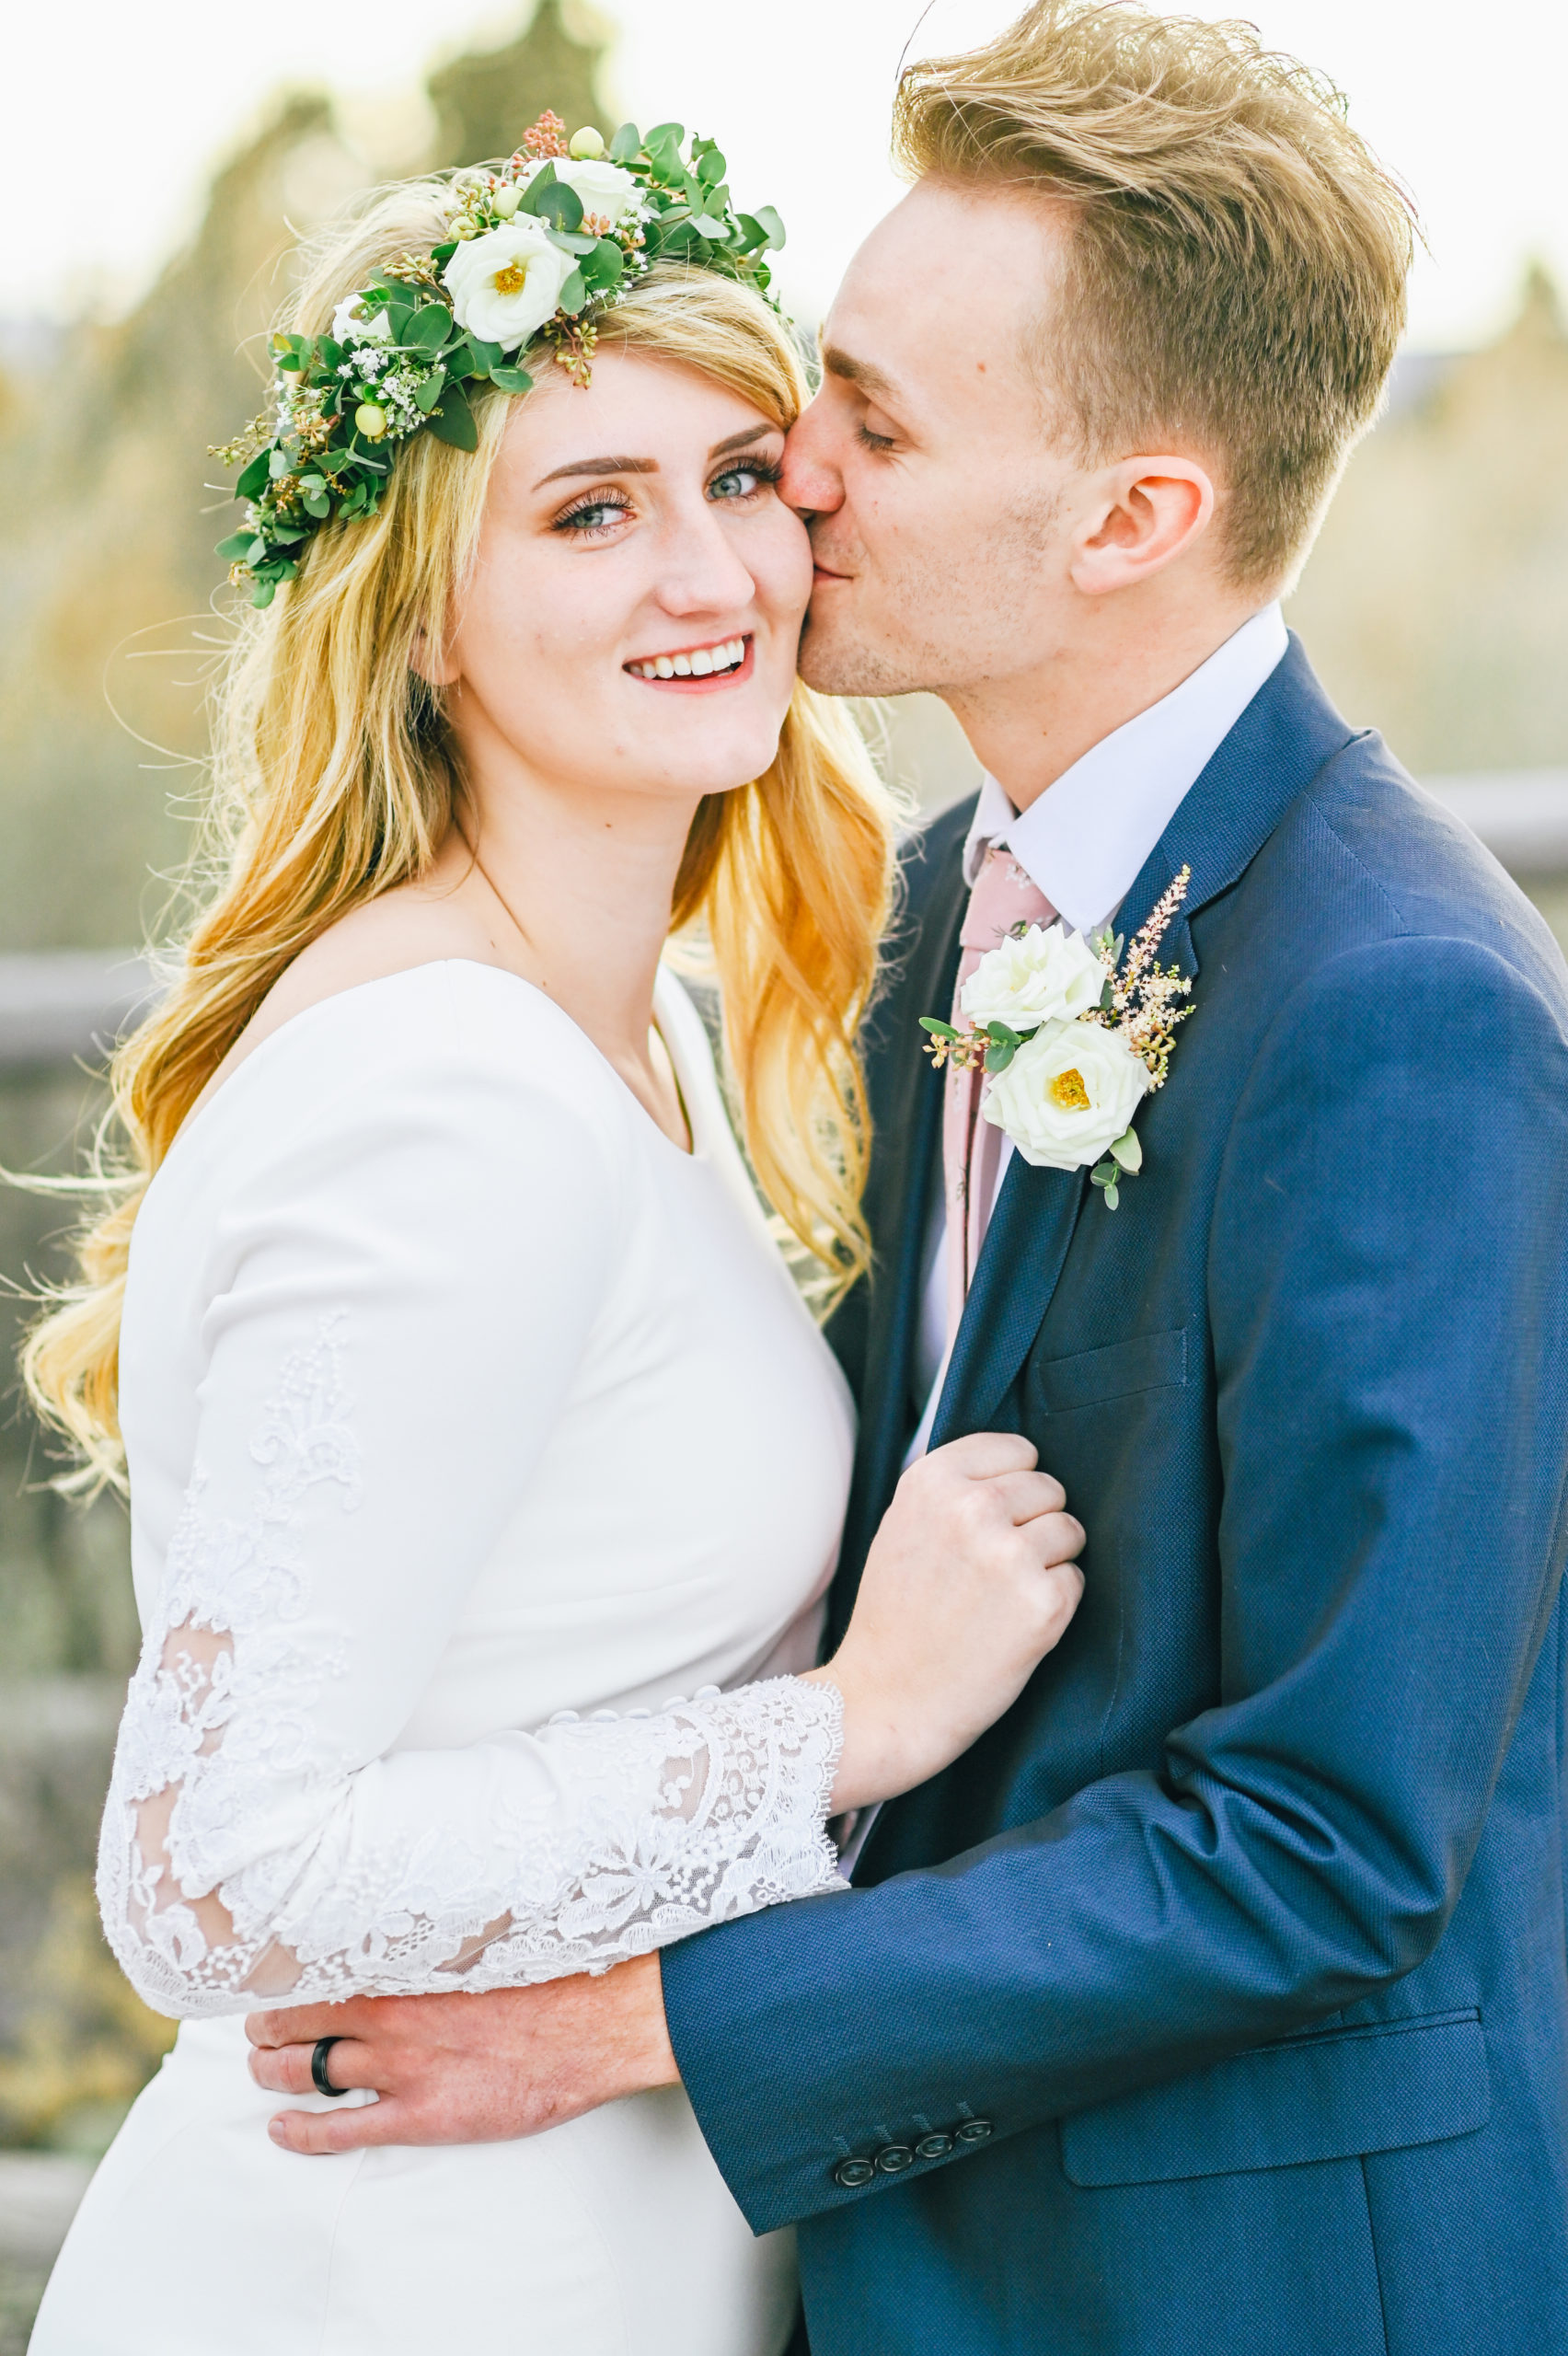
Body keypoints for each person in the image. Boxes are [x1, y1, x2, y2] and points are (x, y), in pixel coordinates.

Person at [242, 9, 1568, 2353]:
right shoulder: (922, 911)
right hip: (885, 2255)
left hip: (1245, 2275)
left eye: (871, 421)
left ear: (1134, 517)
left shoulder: (1407, 1007)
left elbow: (1336, 1839)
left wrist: (629, 2018)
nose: (793, 475)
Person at [24, 117, 1088, 2356]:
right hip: (394, 2278)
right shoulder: (451, 1098)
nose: (711, 574)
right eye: (593, 512)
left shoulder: (632, 1033)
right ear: (421, 612)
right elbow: (216, 1872)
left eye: (739, 476)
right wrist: (849, 1723)